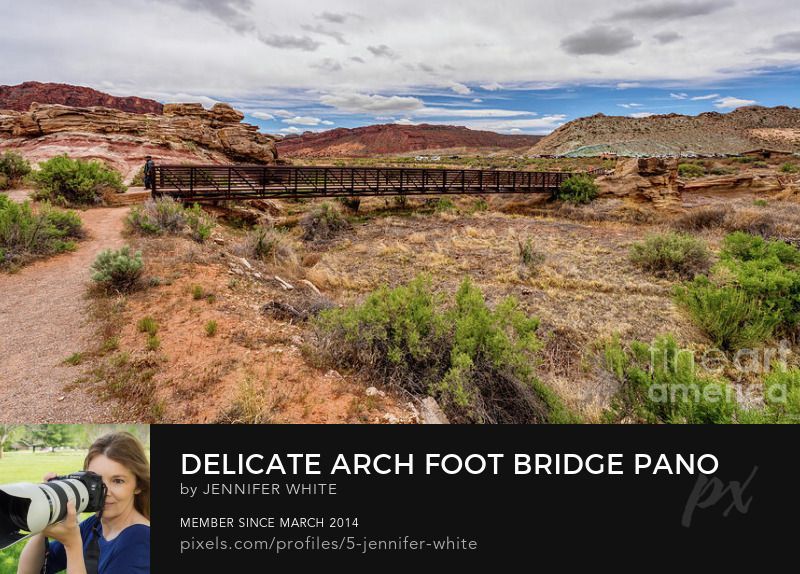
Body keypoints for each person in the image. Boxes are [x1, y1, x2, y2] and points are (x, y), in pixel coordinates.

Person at [17, 432, 150, 574]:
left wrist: (72, 545)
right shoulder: (95, 525)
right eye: (96, 481)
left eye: (118, 481)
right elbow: (29, 571)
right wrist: (47, 515)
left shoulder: (141, 539)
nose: (104, 492)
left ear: (138, 485)